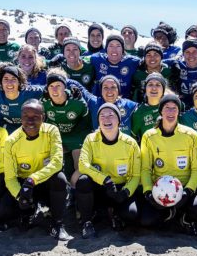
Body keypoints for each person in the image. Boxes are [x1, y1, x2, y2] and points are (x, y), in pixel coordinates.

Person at [0, 99, 71, 240]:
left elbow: (57, 163)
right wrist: (20, 196)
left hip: (44, 182)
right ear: (21, 118)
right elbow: (9, 177)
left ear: (43, 118)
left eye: (35, 117)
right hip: (25, 186)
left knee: (60, 179)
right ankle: (29, 209)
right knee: (4, 212)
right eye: (26, 117)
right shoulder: (11, 141)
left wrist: (33, 179)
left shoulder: (52, 131)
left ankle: (58, 224)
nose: (30, 121)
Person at [140, 94, 197, 235]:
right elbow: (145, 168)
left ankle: (185, 217)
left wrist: (188, 191)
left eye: (174, 108)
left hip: (184, 188)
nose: (171, 112)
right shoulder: (149, 136)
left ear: (179, 111)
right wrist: (148, 191)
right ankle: (169, 214)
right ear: (161, 111)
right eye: (167, 108)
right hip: (160, 190)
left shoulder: (191, 135)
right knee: (146, 221)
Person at [76, 103, 141, 238]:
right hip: (101, 186)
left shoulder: (130, 143)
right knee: (83, 181)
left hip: (119, 188)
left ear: (118, 120)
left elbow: (136, 175)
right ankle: (87, 222)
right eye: (102, 116)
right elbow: (83, 165)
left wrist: (126, 192)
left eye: (111, 115)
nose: (106, 119)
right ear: (98, 121)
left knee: (131, 214)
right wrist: (105, 180)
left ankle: (114, 213)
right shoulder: (91, 139)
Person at [41, 68, 91, 187]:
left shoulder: (77, 102)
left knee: (79, 167)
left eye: (58, 85)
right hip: (57, 136)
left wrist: (78, 141)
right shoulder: (44, 102)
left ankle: (72, 191)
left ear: (65, 86)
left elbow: (86, 124)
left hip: (76, 135)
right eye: (51, 86)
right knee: (47, 162)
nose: (54, 89)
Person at [69, 74, 138, 135]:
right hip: (100, 146)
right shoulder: (94, 102)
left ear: (118, 90)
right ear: (101, 91)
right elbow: (77, 85)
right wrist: (60, 79)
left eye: (113, 87)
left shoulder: (130, 105)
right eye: (105, 87)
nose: (109, 91)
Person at [0, 63, 44, 134]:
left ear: (19, 82)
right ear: (0, 82)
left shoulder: (32, 92)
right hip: (5, 132)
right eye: (6, 79)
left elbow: (48, 87)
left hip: (27, 131)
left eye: (13, 79)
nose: (9, 83)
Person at [89, 35, 140, 99]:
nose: (114, 49)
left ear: (123, 50)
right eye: (111, 46)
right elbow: (80, 59)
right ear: (106, 49)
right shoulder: (96, 59)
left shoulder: (132, 62)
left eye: (118, 46)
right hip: (100, 102)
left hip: (123, 104)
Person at [131, 72, 167, 142]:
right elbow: (133, 137)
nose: (154, 88)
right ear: (145, 89)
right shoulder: (139, 112)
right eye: (150, 84)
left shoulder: (171, 107)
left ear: (163, 90)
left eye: (158, 85)